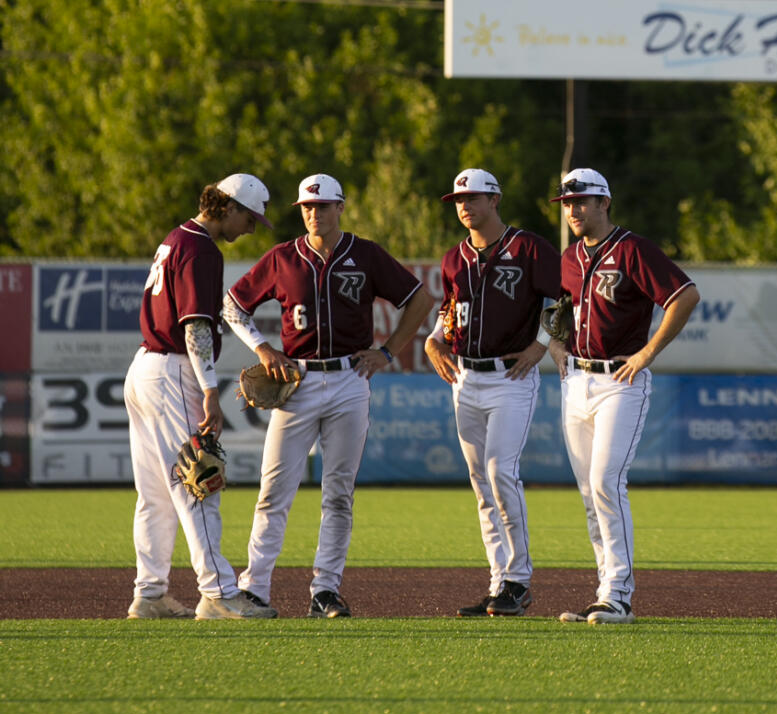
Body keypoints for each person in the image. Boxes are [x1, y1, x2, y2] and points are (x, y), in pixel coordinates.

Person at [223, 173, 433, 618]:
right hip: (294, 384)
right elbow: (232, 305)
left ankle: (326, 590)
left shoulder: (367, 255)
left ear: (341, 207)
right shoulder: (283, 257)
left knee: (338, 491)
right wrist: (262, 347)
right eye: (306, 207)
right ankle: (255, 586)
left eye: (322, 206)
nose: (313, 213)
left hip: (348, 380)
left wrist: (388, 352)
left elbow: (419, 299)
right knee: (273, 490)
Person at [549, 167, 700, 625]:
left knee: (606, 482)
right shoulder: (569, 258)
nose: (573, 209)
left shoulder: (632, 249)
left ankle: (619, 595)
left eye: (582, 201)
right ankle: (605, 591)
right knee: (589, 494)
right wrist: (555, 346)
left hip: (620, 380)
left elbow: (685, 295)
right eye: (567, 203)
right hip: (576, 380)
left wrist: (649, 351)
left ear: (604, 203)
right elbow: (553, 312)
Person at [124, 172, 278, 621]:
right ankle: (218, 593)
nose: (251, 228)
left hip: (144, 369)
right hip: (173, 370)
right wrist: (211, 389)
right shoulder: (201, 247)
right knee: (199, 483)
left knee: (155, 493)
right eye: (249, 218)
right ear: (226, 207)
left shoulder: (177, 237)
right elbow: (194, 326)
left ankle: (149, 595)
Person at [425, 167, 561, 618]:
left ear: (495, 199)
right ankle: (499, 581)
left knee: (501, 471)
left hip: (511, 377)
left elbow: (563, 299)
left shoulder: (529, 248)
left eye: (473, 198)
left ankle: (519, 580)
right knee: (482, 484)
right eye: (458, 199)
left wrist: (541, 345)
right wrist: (433, 338)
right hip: (465, 377)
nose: (464, 205)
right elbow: (450, 309)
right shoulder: (453, 258)